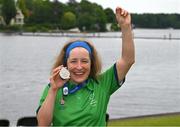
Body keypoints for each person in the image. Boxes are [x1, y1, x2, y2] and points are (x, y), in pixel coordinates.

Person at [36, 6, 135, 126]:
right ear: (65, 63)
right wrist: (53, 90)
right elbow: (43, 124)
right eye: (73, 61)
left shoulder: (102, 83)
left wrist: (125, 27)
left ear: (91, 63)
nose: (79, 67)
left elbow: (127, 60)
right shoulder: (53, 88)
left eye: (84, 61)